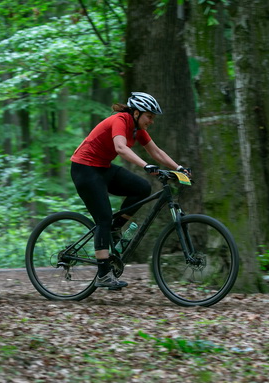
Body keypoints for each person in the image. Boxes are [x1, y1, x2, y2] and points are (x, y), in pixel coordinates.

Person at [70, 92, 189, 289]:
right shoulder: (120, 120)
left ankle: (115, 227)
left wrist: (179, 168)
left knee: (142, 188)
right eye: (149, 116)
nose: (151, 121)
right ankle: (103, 274)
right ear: (136, 113)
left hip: (102, 168)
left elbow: (156, 151)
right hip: (85, 169)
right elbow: (120, 148)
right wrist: (146, 165)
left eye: (153, 117)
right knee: (103, 218)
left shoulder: (137, 129)